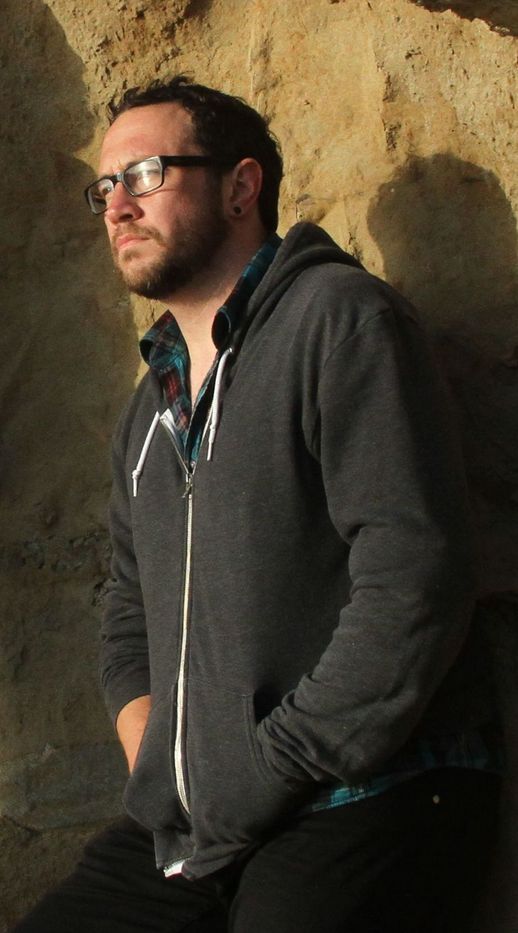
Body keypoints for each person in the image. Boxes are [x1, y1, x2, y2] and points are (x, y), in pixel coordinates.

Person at [15, 75, 502, 933]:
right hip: (199, 821)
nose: (117, 205)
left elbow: (415, 580)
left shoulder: (339, 320)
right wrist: (167, 767)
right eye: (106, 185)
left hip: (366, 790)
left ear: (242, 186)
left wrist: (266, 764)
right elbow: (127, 612)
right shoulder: (148, 408)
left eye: (148, 173)